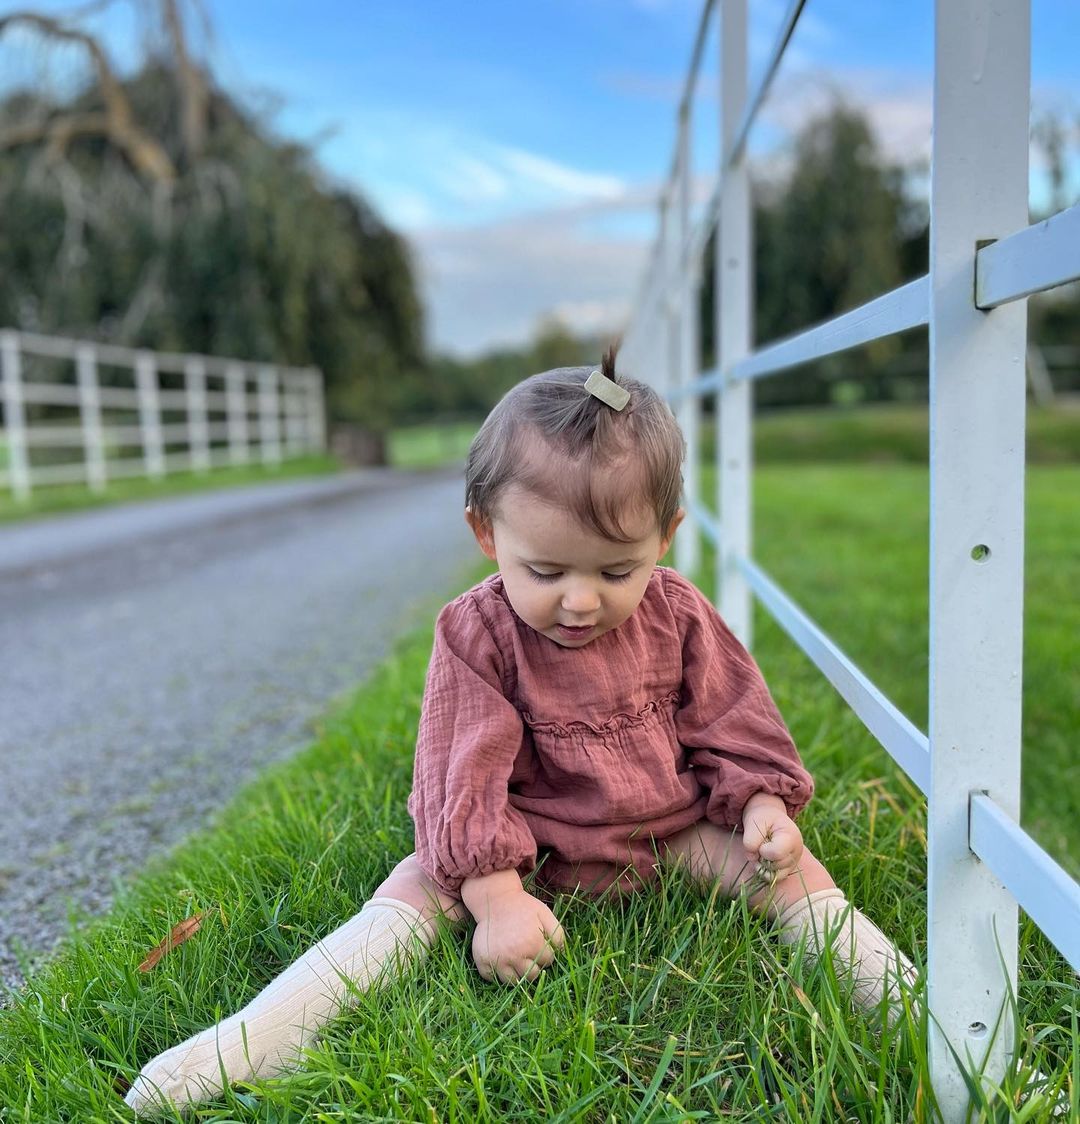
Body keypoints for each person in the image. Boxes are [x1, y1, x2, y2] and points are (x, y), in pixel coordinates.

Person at [124, 352, 915, 1114]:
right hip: (530, 839)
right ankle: (267, 1030)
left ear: (665, 535)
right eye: (546, 571)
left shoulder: (678, 612)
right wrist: (497, 896)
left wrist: (762, 806)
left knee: (786, 870)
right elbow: (462, 774)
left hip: (668, 830)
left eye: (617, 570)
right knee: (419, 883)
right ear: (487, 534)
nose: (581, 601)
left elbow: (732, 718)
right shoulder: (478, 633)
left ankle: (913, 1009)